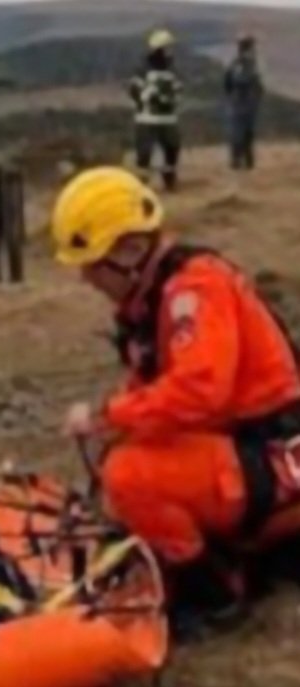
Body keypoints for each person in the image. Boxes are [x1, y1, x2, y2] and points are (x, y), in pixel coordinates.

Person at [51, 166, 300, 639]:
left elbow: (199, 391)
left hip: (274, 456)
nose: (86, 278)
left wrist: (107, 416)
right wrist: (120, 420)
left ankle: (212, 594)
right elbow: (160, 394)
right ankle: (224, 553)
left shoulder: (195, 291)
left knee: (130, 475)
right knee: (128, 457)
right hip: (257, 452)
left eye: (93, 264)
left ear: (130, 250)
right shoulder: (158, 297)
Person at [129, 29, 184, 192]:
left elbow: (178, 89)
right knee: (144, 154)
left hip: (168, 118)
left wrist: (171, 99)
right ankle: (141, 187)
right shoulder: (143, 69)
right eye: (168, 48)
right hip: (147, 119)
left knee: (171, 151)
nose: (170, 51)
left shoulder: (172, 70)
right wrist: (148, 97)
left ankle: (169, 182)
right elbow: (134, 90)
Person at [224, 34, 264, 171]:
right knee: (243, 132)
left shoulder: (236, 64)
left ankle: (241, 159)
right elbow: (256, 84)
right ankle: (243, 160)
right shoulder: (249, 65)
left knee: (242, 131)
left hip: (240, 102)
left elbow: (227, 84)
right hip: (245, 102)